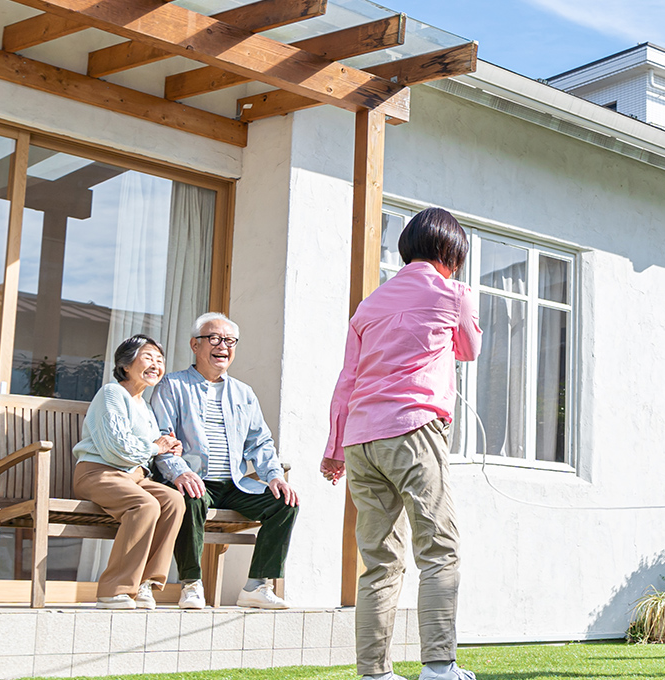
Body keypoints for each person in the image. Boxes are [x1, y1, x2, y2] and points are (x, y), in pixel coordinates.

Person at [321, 208, 482, 680]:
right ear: (452, 252)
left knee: (379, 561)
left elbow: (347, 379)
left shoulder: (368, 306)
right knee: (439, 547)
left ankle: (373, 673)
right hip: (413, 430)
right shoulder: (454, 293)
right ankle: (438, 665)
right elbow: (469, 349)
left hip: (360, 441)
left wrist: (334, 449)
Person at [151, 312, 298, 610]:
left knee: (285, 502)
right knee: (189, 497)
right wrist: (179, 472)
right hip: (193, 480)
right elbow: (162, 437)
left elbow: (260, 442)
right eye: (215, 339)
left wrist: (273, 475)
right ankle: (191, 585)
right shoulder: (172, 385)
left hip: (234, 484)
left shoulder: (244, 393)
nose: (223, 346)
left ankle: (257, 586)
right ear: (195, 345)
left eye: (230, 341)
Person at [71, 335, 186, 610]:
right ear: (125, 364)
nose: (156, 364)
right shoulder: (112, 393)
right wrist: (155, 448)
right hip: (99, 473)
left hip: (135, 477)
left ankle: (146, 583)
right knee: (144, 505)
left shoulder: (145, 407)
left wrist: (168, 448)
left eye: (160, 360)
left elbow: (151, 448)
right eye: (148, 357)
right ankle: (115, 590)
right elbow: (115, 448)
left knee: (173, 501)